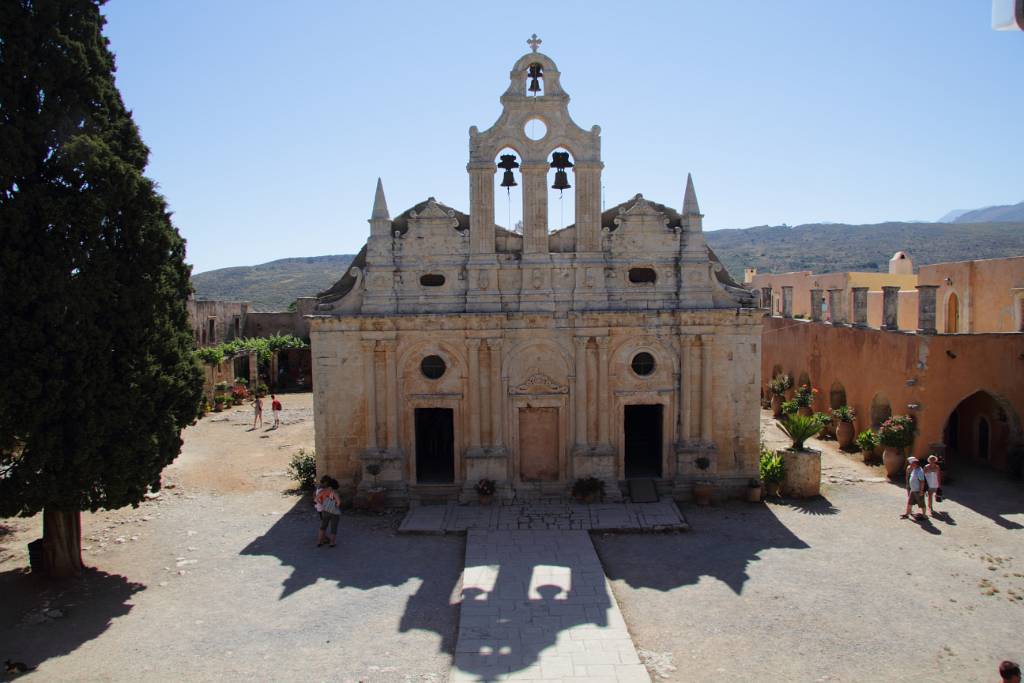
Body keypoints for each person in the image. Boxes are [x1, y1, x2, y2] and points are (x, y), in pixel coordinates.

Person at [316, 479, 341, 548]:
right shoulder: (334, 493)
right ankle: (332, 543)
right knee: (333, 528)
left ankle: (319, 542)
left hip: (325, 511)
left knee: (323, 527)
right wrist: (335, 506)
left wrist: (322, 504)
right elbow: (338, 502)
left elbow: (316, 499)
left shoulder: (322, 491)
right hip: (334, 512)